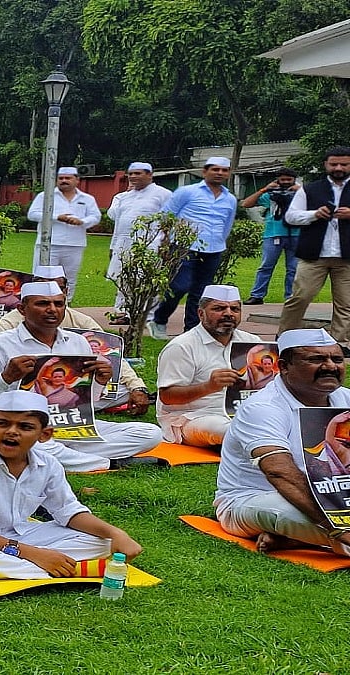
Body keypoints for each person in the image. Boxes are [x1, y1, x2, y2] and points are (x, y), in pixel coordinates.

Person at [0, 390, 143, 580]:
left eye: (25, 427)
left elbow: (68, 511)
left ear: (44, 435)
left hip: (23, 533)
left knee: (105, 543)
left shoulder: (48, 463)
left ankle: (32, 567)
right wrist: (35, 554)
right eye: (2, 423)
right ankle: (70, 570)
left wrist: (116, 533)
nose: (12, 432)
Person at [0, 282, 162, 472]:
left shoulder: (77, 343)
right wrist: (5, 378)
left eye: (58, 304)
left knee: (150, 434)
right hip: (16, 430)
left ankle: (69, 457)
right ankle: (111, 463)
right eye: (42, 303)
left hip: (68, 426)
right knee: (30, 445)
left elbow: (82, 402)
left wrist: (100, 381)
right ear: (22, 309)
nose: (52, 309)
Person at [216, 328, 350, 558]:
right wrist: (336, 524)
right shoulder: (263, 407)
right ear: (284, 366)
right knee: (290, 515)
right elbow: (280, 474)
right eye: (316, 359)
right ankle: (330, 536)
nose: (330, 366)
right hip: (258, 497)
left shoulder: (344, 398)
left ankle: (295, 539)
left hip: (337, 494)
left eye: (337, 359)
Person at [0, 266, 151, 415]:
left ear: (65, 292)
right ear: (24, 306)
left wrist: (137, 387)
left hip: (70, 393)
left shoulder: (81, 323)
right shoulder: (9, 324)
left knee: (143, 425)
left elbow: (112, 358)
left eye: (57, 295)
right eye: (42, 298)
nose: (51, 306)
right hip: (21, 392)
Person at [156, 285, 260, 447]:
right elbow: (168, 397)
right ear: (200, 313)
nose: (228, 313)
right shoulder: (182, 346)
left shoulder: (253, 343)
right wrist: (208, 386)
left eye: (234, 309)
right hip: (193, 417)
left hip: (244, 413)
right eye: (219, 308)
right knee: (229, 430)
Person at [148, 157, 237, 339]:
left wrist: (221, 243)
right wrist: (165, 242)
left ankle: (191, 331)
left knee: (201, 292)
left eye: (224, 170)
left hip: (214, 249)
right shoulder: (187, 192)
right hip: (184, 246)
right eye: (215, 169)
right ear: (205, 172)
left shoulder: (230, 199)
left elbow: (227, 224)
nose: (220, 173)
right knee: (179, 286)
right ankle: (159, 320)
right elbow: (166, 215)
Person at [277, 147, 350, 347]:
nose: (338, 168)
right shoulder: (309, 189)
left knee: (346, 304)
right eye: (334, 164)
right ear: (325, 165)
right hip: (313, 255)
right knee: (300, 297)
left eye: (344, 164)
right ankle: (286, 337)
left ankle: (340, 344)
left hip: (347, 257)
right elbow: (291, 217)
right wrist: (314, 214)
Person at [105, 162, 173, 324]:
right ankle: (122, 313)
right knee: (123, 279)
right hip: (123, 244)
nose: (133, 177)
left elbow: (171, 220)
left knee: (147, 280)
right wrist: (113, 246)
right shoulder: (125, 197)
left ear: (149, 175)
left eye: (138, 173)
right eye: (131, 174)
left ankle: (146, 316)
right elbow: (119, 222)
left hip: (151, 245)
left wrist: (166, 244)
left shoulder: (163, 194)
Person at [25, 167, 101, 301]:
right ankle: (38, 303)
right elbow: (32, 214)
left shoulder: (87, 198)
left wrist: (82, 221)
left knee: (69, 277)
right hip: (49, 243)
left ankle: (65, 305)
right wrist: (56, 217)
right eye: (61, 178)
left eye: (68, 178)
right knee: (42, 275)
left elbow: (95, 216)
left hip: (75, 244)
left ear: (77, 180)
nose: (64, 181)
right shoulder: (45, 196)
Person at [241, 168, 301, 305]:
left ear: (294, 179)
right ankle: (257, 295)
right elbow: (246, 203)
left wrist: (301, 191)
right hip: (273, 233)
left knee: (293, 268)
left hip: (297, 234)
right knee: (266, 266)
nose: (285, 182)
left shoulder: (301, 194)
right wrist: (265, 189)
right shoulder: (271, 194)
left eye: (289, 179)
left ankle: (290, 297)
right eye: (282, 179)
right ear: (277, 180)